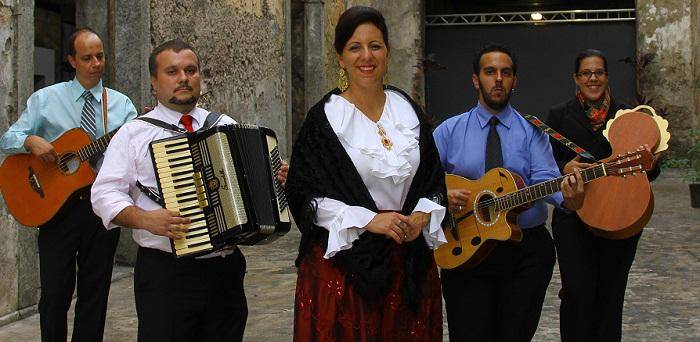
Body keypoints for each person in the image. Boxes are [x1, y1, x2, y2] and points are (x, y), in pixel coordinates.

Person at [90, 39, 288, 341]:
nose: (183, 78)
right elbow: (103, 194)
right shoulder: (134, 133)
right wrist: (145, 219)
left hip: (225, 271)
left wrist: (276, 175)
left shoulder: (223, 124)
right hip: (166, 275)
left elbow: (252, 181)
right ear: (155, 82)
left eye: (190, 70)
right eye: (172, 72)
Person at [286, 6, 447, 341]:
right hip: (346, 273)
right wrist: (368, 220)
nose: (366, 56)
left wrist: (421, 214)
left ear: (387, 51)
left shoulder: (408, 111)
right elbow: (304, 195)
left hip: (409, 267)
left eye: (375, 45)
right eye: (354, 48)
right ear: (340, 58)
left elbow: (433, 181)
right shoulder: (326, 120)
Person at [432, 43, 586, 341]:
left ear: (515, 81)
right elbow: (423, 182)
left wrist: (571, 198)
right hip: (464, 246)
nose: (498, 79)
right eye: (490, 72)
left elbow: (546, 178)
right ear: (476, 80)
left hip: (524, 252)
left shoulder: (533, 131)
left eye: (506, 72)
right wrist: (441, 196)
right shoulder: (448, 131)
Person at [0, 28, 137, 342]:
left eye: (100, 56)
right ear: (72, 60)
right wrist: (30, 140)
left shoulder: (121, 105)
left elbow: (135, 150)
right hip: (56, 209)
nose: (95, 63)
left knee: (95, 292)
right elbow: (7, 140)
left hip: (101, 207)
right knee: (54, 293)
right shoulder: (46, 100)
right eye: (87, 57)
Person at [546, 49, 660, 341]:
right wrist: (564, 167)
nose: (592, 78)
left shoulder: (627, 116)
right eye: (586, 73)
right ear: (576, 78)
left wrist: (651, 163)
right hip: (574, 214)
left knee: (611, 294)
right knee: (576, 291)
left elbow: (650, 174)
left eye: (598, 72)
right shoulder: (558, 116)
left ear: (607, 77)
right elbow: (544, 164)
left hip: (621, 215)